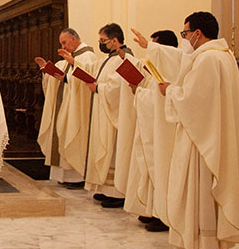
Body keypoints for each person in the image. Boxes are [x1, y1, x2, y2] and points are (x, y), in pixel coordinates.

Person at [134, 12, 239, 249]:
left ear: (198, 33)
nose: (185, 38)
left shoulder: (208, 59)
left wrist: (169, 90)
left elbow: (192, 100)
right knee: (208, 193)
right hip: (213, 135)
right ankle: (214, 248)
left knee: (200, 190)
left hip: (201, 141)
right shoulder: (223, 56)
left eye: (185, 33)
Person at [123, 30, 179, 232]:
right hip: (151, 128)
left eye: (154, 47)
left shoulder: (173, 69)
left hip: (164, 133)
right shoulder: (157, 68)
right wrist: (138, 88)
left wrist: (139, 93)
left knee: (161, 169)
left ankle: (162, 215)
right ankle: (152, 210)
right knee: (149, 168)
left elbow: (160, 100)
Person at [34, 28, 98, 188]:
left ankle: (76, 177)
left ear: (74, 38)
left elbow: (87, 80)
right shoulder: (68, 59)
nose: (63, 46)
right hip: (64, 104)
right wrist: (47, 71)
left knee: (73, 133)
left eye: (64, 42)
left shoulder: (87, 56)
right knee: (61, 132)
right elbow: (59, 76)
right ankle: (63, 176)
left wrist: (68, 75)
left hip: (77, 107)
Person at [84, 23, 135, 208]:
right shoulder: (110, 58)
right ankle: (106, 188)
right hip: (104, 109)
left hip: (115, 114)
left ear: (115, 40)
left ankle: (117, 192)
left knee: (113, 149)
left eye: (103, 40)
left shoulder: (124, 57)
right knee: (105, 147)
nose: (101, 44)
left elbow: (118, 86)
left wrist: (98, 87)